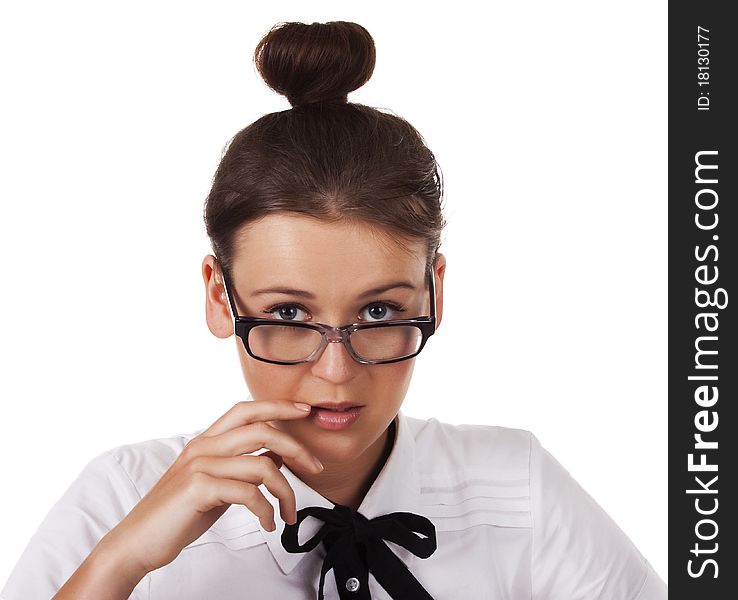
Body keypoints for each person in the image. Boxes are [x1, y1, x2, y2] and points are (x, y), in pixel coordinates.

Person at [1, 20, 666, 600]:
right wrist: (122, 563)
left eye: (379, 312)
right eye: (288, 316)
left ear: (434, 291)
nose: (337, 373)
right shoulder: (121, 497)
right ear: (217, 296)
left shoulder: (516, 487)